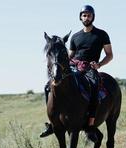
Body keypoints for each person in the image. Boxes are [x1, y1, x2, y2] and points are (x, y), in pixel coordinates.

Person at [40, 5, 113, 138]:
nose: (86, 17)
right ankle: (53, 123)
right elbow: (71, 56)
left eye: (89, 15)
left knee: (95, 87)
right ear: (80, 17)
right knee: (47, 87)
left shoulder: (102, 34)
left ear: (93, 17)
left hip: (90, 68)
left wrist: (99, 64)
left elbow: (109, 55)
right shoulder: (75, 36)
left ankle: (90, 125)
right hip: (74, 66)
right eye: (84, 15)